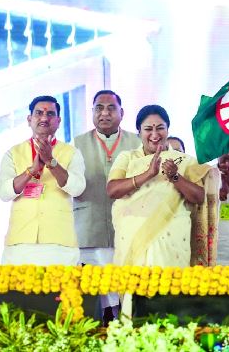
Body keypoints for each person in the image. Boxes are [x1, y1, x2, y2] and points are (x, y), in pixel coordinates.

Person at [107, 104, 220, 268]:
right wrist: (147, 174)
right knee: (135, 290)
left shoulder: (183, 160)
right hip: (133, 239)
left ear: (168, 130)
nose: (154, 134)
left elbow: (199, 197)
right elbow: (112, 190)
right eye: (148, 129)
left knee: (170, 290)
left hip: (172, 243)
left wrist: (175, 176)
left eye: (160, 128)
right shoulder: (127, 157)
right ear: (139, 131)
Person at [72, 90, 139, 320]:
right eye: (99, 108)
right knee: (94, 300)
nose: (105, 113)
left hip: (128, 232)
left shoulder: (137, 142)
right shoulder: (77, 143)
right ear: (92, 112)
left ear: (122, 112)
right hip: (90, 231)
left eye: (111, 108)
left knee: (127, 297)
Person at [0, 96, 86, 265]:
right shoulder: (12, 153)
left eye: (50, 114)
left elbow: (77, 188)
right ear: (29, 119)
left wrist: (51, 163)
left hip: (60, 244)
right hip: (20, 243)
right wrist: (31, 171)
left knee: (62, 292)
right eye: (39, 113)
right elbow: (4, 192)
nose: (44, 118)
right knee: (17, 292)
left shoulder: (72, 153)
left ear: (58, 121)